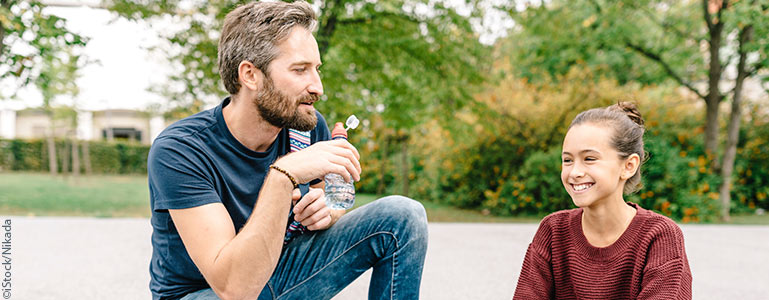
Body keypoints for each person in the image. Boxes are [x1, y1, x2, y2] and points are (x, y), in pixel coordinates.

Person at [147, 2, 428, 299]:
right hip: (209, 293)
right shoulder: (181, 150)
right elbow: (234, 289)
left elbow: (329, 200)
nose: (317, 87)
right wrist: (283, 176)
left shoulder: (306, 128)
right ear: (250, 75)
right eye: (300, 70)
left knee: (403, 215)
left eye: (316, 69)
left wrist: (327, 212)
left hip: (279, 275)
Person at [513, 102, 692, 299]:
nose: (575, 172)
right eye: (567, 160)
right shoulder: (553, 231)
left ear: (629, 166)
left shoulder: (659, 236)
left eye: (589, 159)